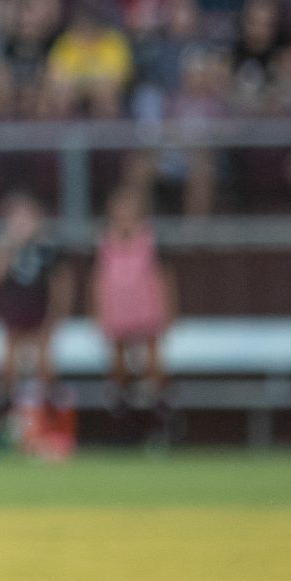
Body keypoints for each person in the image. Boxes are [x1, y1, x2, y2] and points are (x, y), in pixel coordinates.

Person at [0, 190, 73, 456]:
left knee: (46, 370)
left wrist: (57, 317)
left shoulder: (48, 247)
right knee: (6, 372)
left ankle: (50, 430)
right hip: (13, 318)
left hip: (40, 315)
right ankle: (10, 433)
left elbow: (62, 283)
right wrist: (10, 243)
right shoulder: (6, 245)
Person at [92, 184, 179, 446]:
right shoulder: (105, 240)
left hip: (146, 309)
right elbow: (98, 279)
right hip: (118, 312)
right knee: (118, 371)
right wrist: (98, 312)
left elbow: (165, 278)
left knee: (154, 370)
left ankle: (161, 428)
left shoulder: (150, 239)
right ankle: (124, 431)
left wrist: (169, 312)